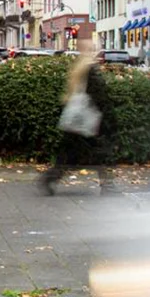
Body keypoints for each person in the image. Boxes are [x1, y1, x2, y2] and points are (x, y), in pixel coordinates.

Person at [41, 42, 115, 196]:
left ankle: (50, 177)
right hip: (87, 117)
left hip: (75, 116)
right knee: (100, 151)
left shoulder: (79, 66)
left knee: (70, 153)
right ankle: (108, 185)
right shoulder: (90, 68)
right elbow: (99, 93)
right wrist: (107, 112)